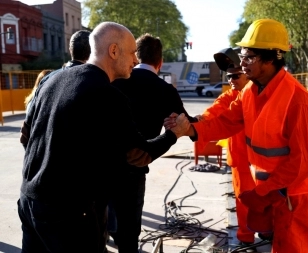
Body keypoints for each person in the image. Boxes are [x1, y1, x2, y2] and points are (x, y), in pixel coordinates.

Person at [17, 21, 190, 253]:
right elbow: (138, 156)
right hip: (68, 214)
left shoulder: (51, 80)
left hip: (30, 202)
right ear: (114, 50)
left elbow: (26, 136)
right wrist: (173, 134)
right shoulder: (108, 95)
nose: (136, 61)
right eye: (131, 53)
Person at [164, 19, 308, 253]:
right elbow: (226, 122)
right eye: (242, 55)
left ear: (271, 58)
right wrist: (189, 129)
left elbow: (302, 162)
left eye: (249, 57)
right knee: (280, 245)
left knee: (294, 247)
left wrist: (263, 192)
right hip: (275, 189)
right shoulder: (250, 92)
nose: (241, 63)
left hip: (297, 194)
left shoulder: (299, 102)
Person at [110, 33, 197, 253]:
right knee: (130, 229)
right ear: (160, 62)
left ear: (135, 57)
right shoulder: (165, 90)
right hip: (137, 167)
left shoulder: (113, 81)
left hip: (105, 165)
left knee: (102, 222)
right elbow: (190, 128)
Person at [195, 47, 256, 244]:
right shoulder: (230, 97)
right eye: (229, 77)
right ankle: (246, 238)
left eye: (236, 75)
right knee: (243, 202)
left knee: (268, 202)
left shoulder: (260, 95)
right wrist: (193, 122)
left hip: (263, 163)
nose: (232, 80)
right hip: (241, 161)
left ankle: (266, 231)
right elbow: (212, 113)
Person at [22, 29, 91, 116]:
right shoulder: (98, 82)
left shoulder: (47, 79)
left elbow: (29, 120)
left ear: (70, 50)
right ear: (92, 51)